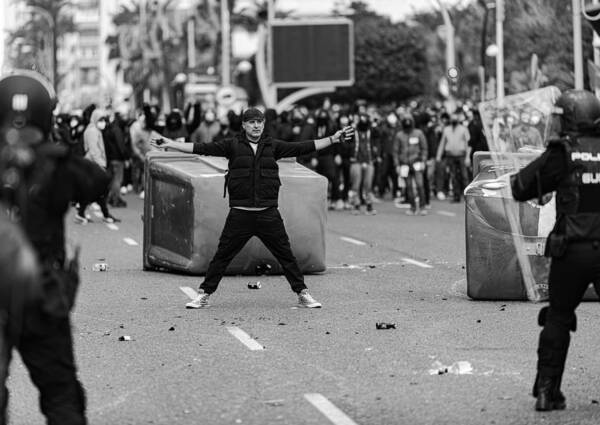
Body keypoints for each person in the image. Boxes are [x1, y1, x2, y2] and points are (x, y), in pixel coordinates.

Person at [153, 107, 352, 309]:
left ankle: (302, 294)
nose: (256, 125)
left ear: (264, 124)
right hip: (240, 214)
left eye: (259, 122)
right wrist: (171, 144)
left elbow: (303, 147)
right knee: (222, 257)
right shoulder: (232, 145)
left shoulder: (273, 146)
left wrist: (333, 139)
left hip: (268, 214)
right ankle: (203, 295)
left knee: (286, 257)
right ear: (244, 125)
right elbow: (201, 147)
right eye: (252, 122)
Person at [0, 69, 107, 425]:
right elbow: (96, 183)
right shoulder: (58, 164)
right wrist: (55, 151)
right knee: (61, 395)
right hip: (40, 295)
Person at [507, 89, 600, 411]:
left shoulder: (562, 152)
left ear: (570, 118)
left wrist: (546, 187)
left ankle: (547, 392)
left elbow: (520, 187)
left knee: (558, 317)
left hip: (571, 252)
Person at [395, 115, 428, 215]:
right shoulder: (399, 135)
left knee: (420, 185)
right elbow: (395, 151)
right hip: (404, 164)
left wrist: (423, 161)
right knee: (408, 187)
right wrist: (397, 165)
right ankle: (413, 207)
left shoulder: (419, 133)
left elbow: (424, 148)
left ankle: (422, 207)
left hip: (417, 162)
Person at [436, 113, 471, 202]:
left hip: (461, 155)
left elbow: (468, 144)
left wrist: (468, 157)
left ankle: (468, 196)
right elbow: (442, 143)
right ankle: (456, 196)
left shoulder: (463, 129)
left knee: (464, 176)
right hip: (450, 155)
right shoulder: (447, 129)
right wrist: (439, 155)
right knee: (453, 176)